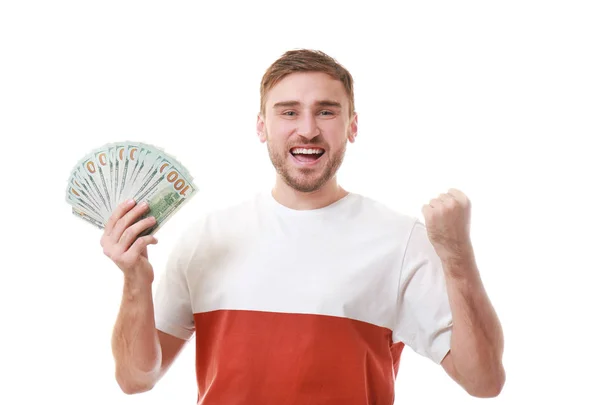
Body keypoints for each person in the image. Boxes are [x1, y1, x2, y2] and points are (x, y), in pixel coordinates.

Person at [101, 49, 505, 404]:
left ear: (352, 126)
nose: (308, 129)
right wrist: (135, 276)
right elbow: (135, 379)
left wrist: (458, 259)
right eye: (289, 111)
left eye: (326, 111)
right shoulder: (206, 239)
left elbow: (483, 381)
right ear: (261, 126)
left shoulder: (401, 241)